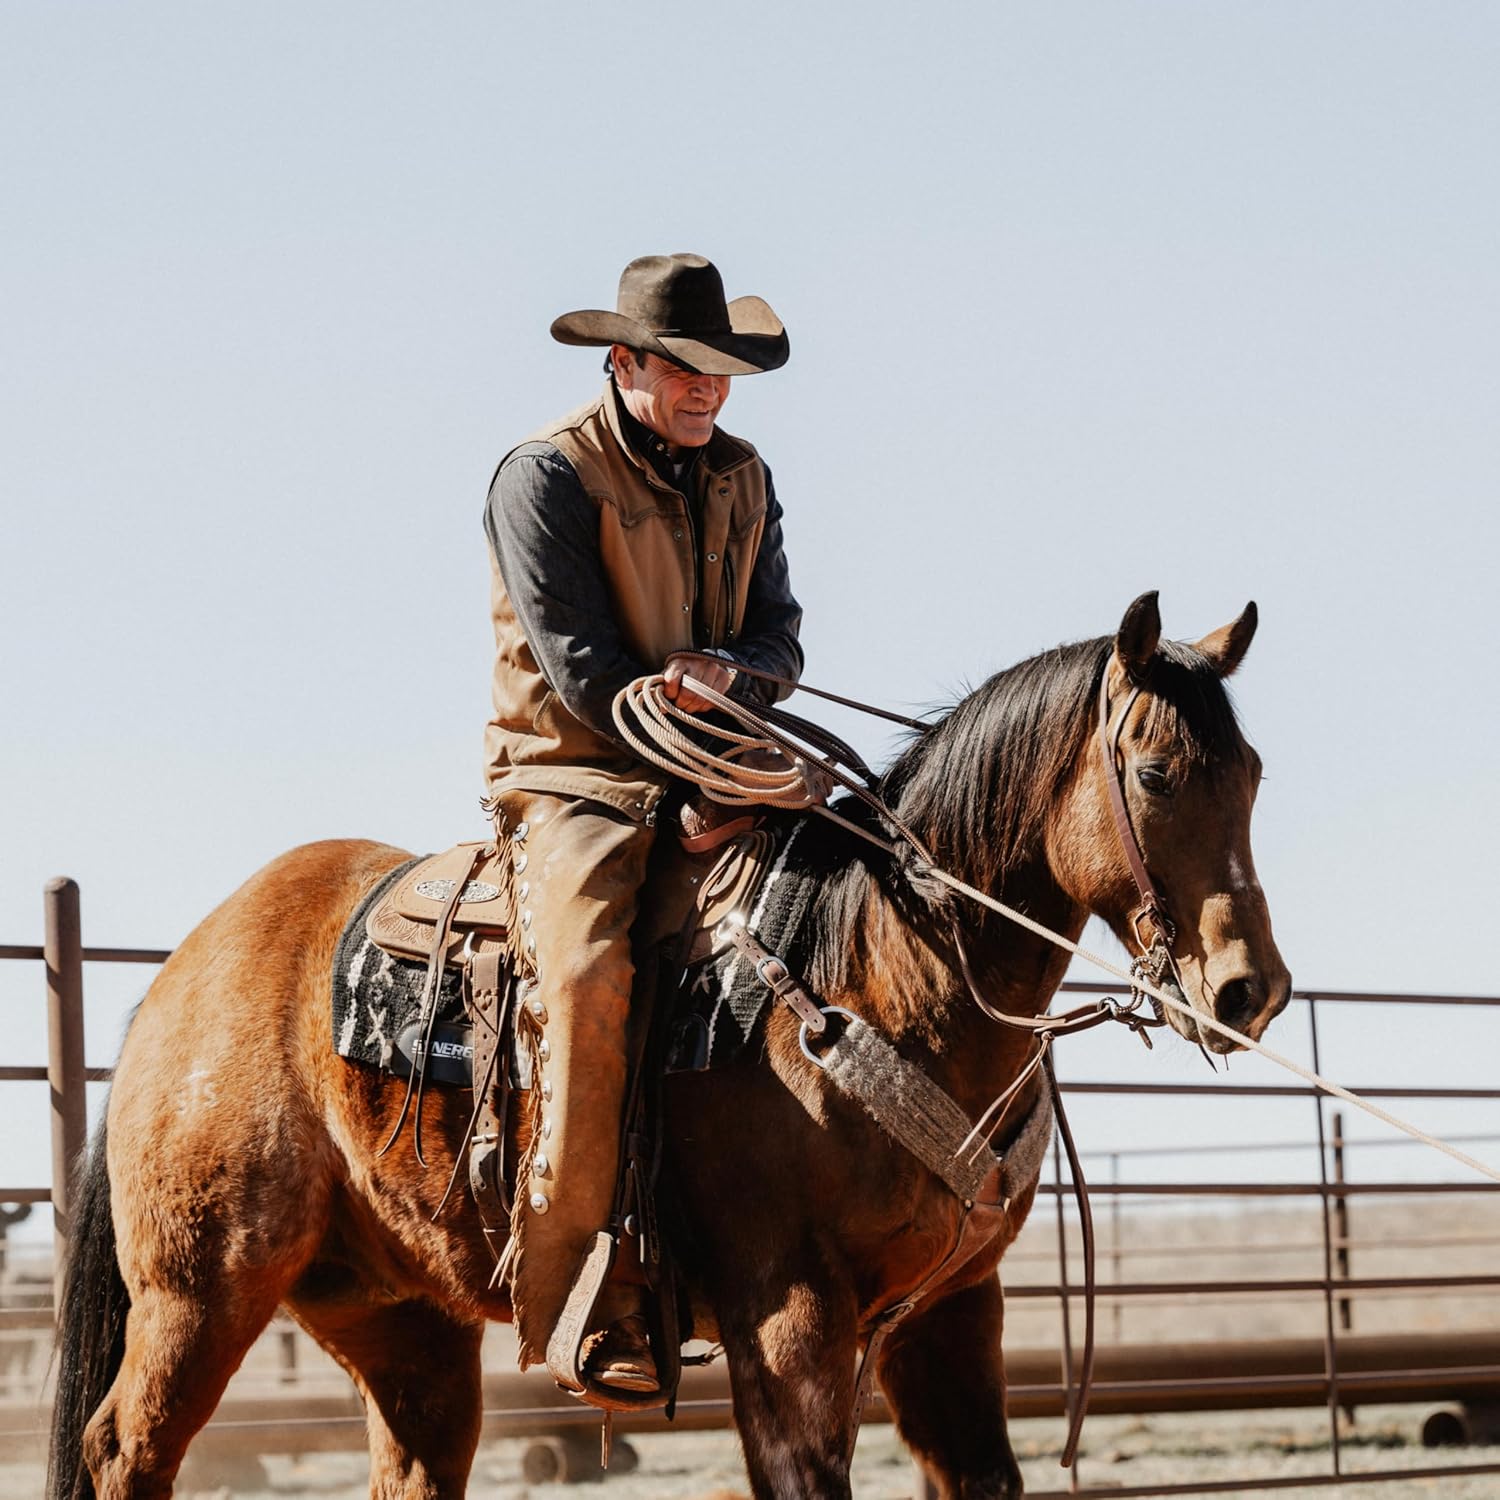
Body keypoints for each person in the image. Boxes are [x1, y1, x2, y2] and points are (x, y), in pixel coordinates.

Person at [482, 253, 803, 1395]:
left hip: (718, 754)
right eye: (684, 368)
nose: (708, 389)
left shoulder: (747, 476)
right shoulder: (546, 478)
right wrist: (685, 769)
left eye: (722, 369)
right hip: (576, 779)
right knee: (584, 977)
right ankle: (593, 1300)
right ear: (624, 364)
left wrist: (738, 680)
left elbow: (782, 636)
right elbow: (581, 674)